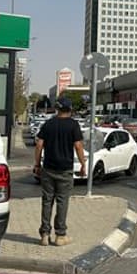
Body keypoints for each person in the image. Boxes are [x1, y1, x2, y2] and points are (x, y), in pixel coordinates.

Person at [34, 97, 87, 247]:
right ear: (70, 110)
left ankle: (44, 235)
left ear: (57, 109)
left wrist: (37, 164)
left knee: (46, 201)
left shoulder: (48, 124)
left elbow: (39, 145)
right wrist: (83, 164)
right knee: (62, 202)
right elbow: (78, 146)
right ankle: (60, 236)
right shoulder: (73, 125)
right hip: (65, 170)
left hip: (48, 168)